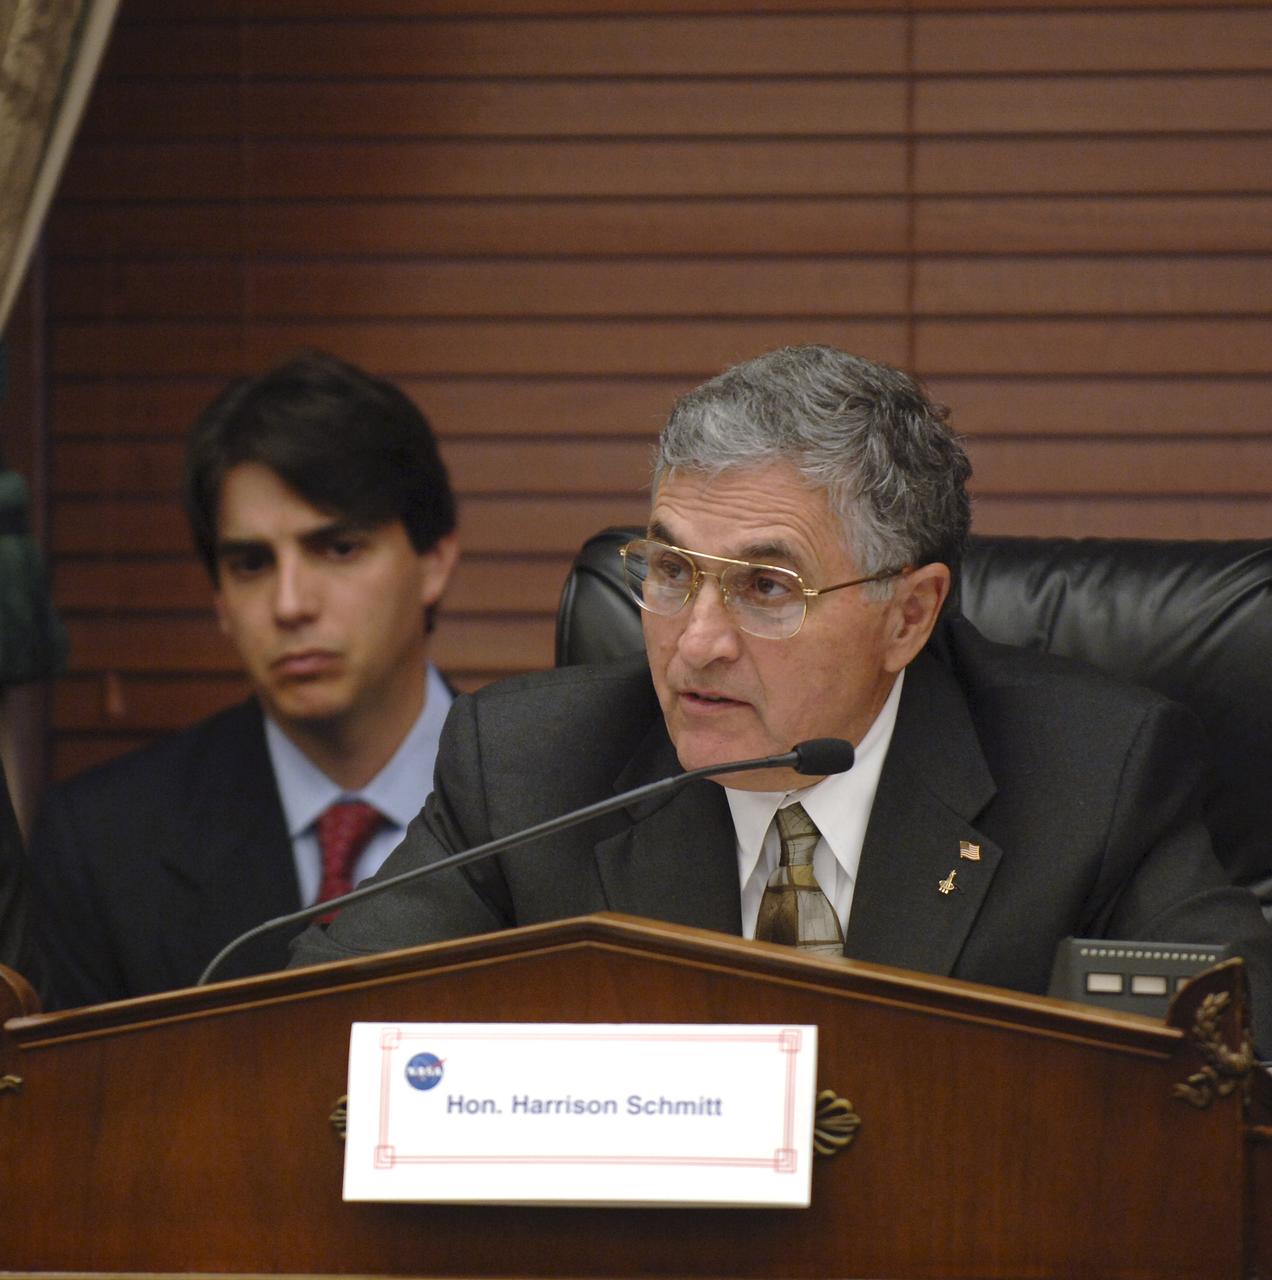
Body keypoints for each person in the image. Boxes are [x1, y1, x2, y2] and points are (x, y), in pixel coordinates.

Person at [289, 344, 1272, 1051]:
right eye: (672, 570)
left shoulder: (1093, 776)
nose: (698, 642)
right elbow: (305, 1031)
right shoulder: (531, 768)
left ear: (910, 614)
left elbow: (1236, 1069)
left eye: (767, 588)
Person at [26, 350, 459, 1006]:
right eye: (252, 564)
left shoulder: (558, 810)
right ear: (220, 601)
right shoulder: (104, 843)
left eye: (337, 548)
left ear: (433, 562)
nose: (290, 605)